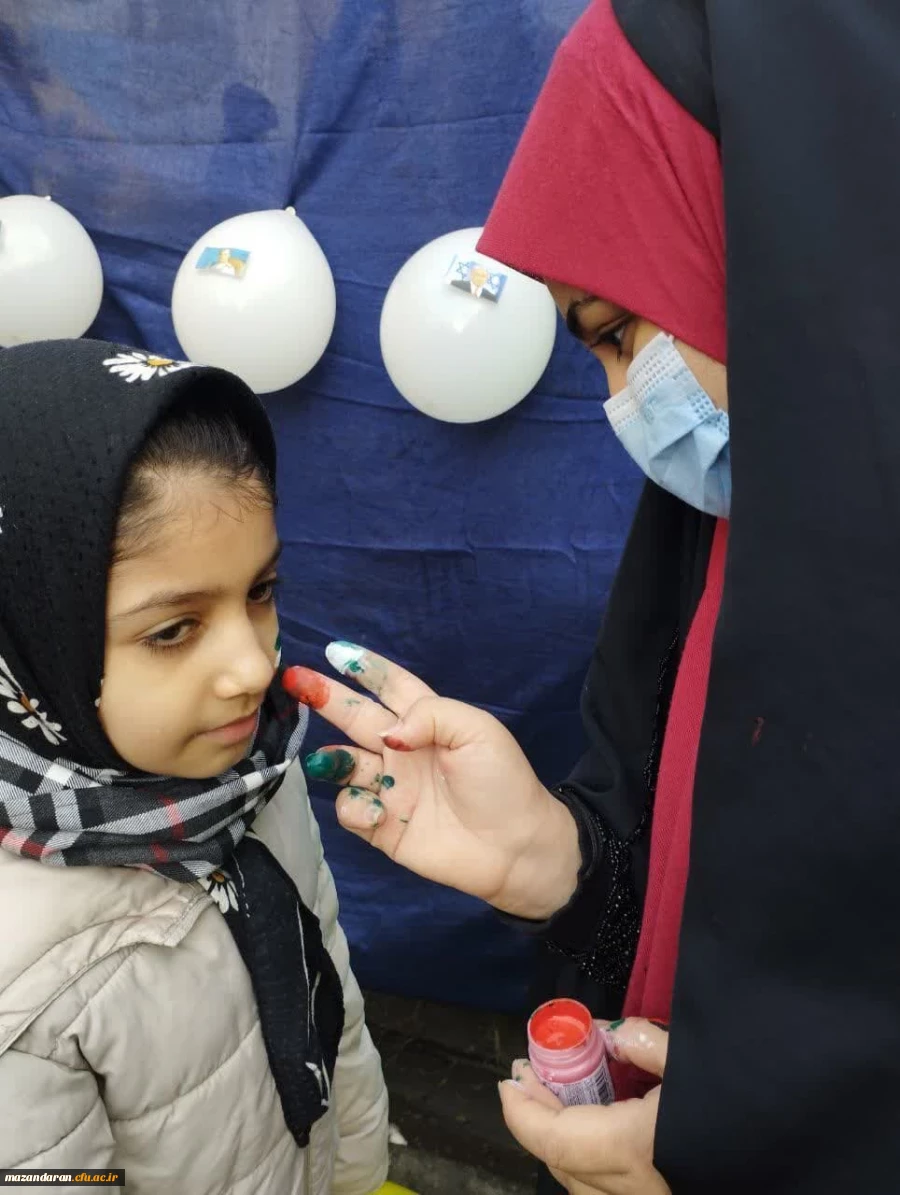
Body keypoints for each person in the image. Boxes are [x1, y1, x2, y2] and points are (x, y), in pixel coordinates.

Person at [286, 0, 900, 1191]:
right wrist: (554, 858)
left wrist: (758, 1144)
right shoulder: (720, 539)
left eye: (622, 331)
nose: (630, 405)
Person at [0, 339, 389, 1195]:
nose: (253, 666)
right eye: (172, 629)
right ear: (32, 654)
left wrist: (359, 1173)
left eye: (261, 589)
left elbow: (334, 1003)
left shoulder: (252, 772)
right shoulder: (19, 986)